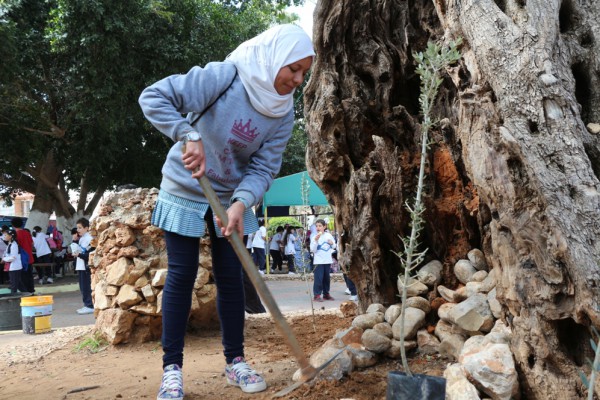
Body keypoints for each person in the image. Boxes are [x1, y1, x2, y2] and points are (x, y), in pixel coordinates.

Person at [138, 24, 314, 400]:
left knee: (232, 278)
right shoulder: (227, 76)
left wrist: (241, 202)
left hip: (231, 196)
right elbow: (153, 97)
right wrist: (188, 135)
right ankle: (172, 370)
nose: (298, 80)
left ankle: (235, 361)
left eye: (304, 72)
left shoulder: (283, 113)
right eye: (294, 68)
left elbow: (264, 167)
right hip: (185, 186)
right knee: (182, 275)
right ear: (275, 59)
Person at [310, 219, 336, 302]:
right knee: (318, 279)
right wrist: (316, 241)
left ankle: (326, 294)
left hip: (327, 260)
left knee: (326, 279)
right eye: (316, 226)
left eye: (320, 226)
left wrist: (332, 243)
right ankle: (317, 295)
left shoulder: (328, 235)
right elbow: (313, 250)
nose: (318, 228)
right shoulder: (314, 237)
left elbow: (334, 246)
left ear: (324, 227)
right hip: (318, 261)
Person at [73, 218, 95, 315]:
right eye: (77, 228)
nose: (78, 230)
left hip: (85, 266)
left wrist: (79, 255)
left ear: (86, 228)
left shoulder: (90, 239)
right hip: (80, 266)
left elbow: (90, 255)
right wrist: (74, 241)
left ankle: (90, 305)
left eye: (80, 228)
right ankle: (87, 304)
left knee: (86, 287)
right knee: (82, 287)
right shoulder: (82, 238)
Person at [11, 217, 34, 294]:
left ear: (12, 225)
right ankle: (31, 291)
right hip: (29, 257)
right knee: (29, 276)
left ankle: (25, 293)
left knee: (23, 277)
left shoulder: (15, 234)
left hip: (21, 259)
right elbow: (32, 244)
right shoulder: (27, 233)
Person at [2, 228, 24, 295]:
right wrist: (4, 257)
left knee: (14, 285)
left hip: (15, 267)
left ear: (10, 236)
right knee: (18, 284)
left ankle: (13, 298)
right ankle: (28, 295)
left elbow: (13, 257)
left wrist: (4, 259)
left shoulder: (14, 245)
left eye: (5, 235)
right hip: (13, 267)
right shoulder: (10, 244)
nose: (4, 236)